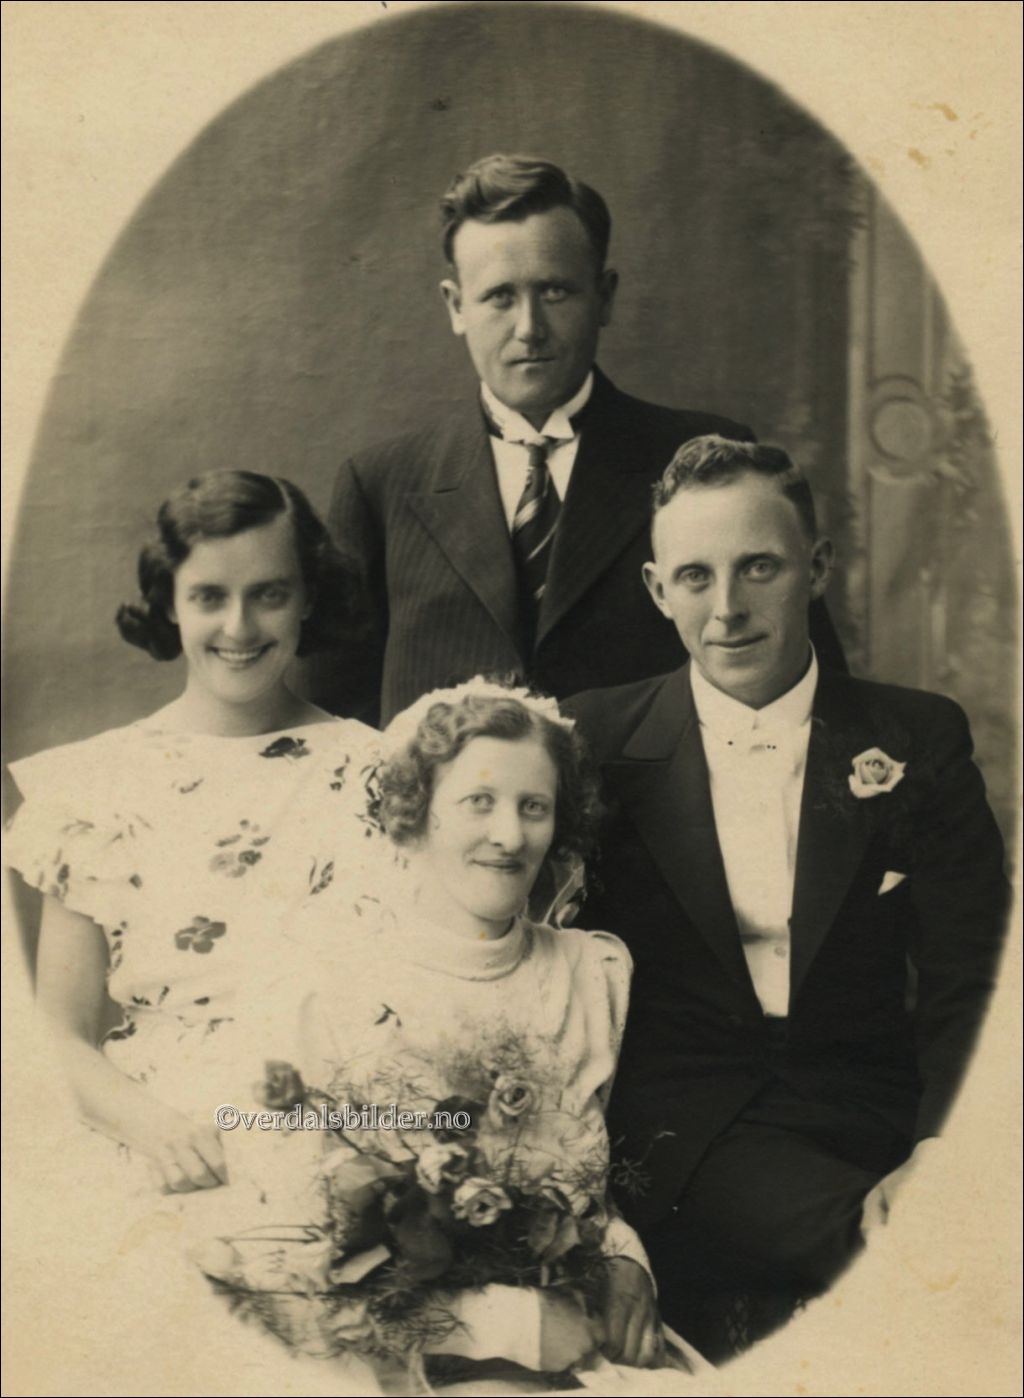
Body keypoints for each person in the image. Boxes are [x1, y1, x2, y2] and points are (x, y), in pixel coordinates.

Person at [566, 436, 1010, 1359]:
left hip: (871, 1108)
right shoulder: (594, 742)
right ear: (657, 590)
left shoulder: (915, 737)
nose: (726, 609)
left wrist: (939, 1151)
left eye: (758, 567)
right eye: (695, 577)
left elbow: (976, 972)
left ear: (818, 568)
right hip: (685, 1130)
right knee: (943, 1261)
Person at [196, 684, 709, 1390]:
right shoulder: (320, 984)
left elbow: (588, 1187)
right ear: (416, 812)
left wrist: (625, 1261)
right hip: (388, 1350)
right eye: (479, 802)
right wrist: (514, 1328)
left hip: (577, 1329)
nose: (510, 836)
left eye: (534, 806)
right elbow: (286, 1257)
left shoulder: (590, 973)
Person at [319, 153, 845, 726]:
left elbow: (807, 682)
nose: (529, 329)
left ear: (605, 296)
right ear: (456, 306)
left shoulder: (703, 461)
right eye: (499, 297)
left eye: (555, 291)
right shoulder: (382, 487)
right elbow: (328, 723)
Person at [4, 469, 385, 1198]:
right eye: (209, 596)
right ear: (169, 603)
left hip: (349, 1146)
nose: (239, 628)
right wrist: (159, 1132)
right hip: (163, 1140)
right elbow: (57, 1036)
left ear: (309, 597)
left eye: (269, 594)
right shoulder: (96, 785)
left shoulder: (380, 772)